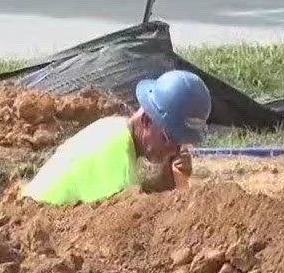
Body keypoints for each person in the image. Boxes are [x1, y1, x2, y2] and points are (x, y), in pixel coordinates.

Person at [19, 69, 211, 204]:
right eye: (170, 138)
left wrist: (172, 180)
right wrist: (179, 191)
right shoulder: (116, 160)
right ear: (145, 120)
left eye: (182, 142)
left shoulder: (115, 128)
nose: (175, 151)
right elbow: (129, 228)